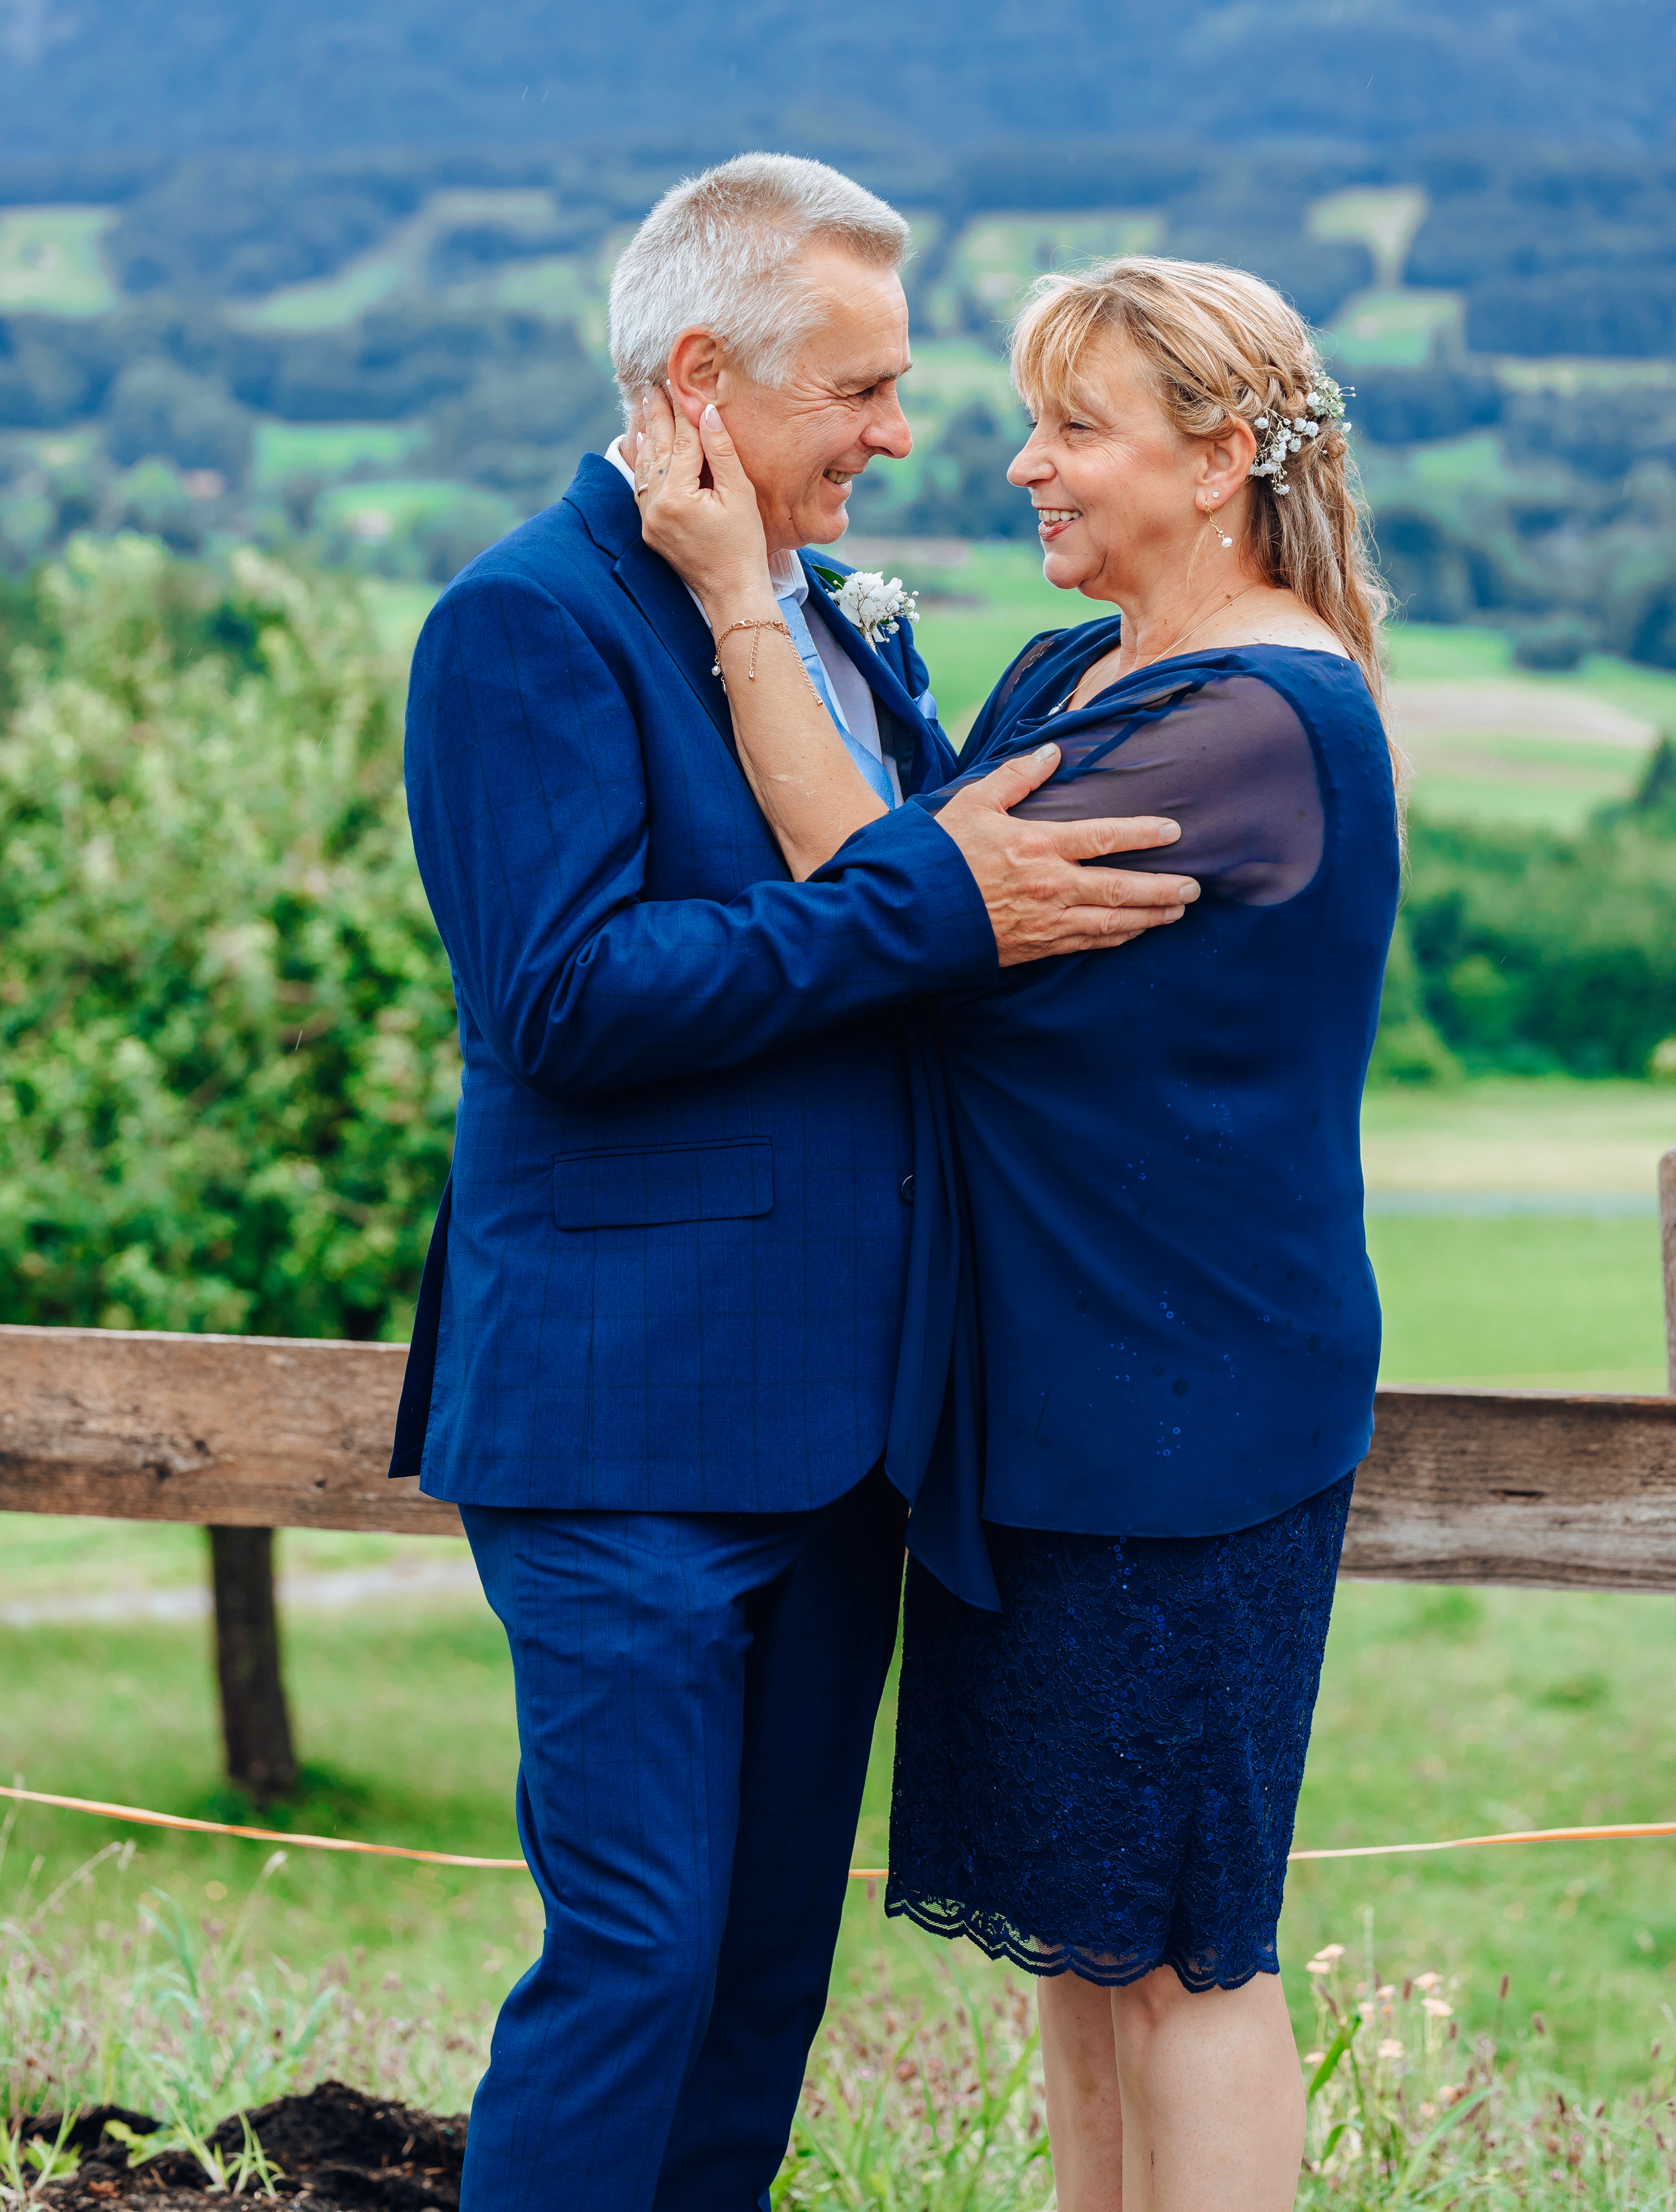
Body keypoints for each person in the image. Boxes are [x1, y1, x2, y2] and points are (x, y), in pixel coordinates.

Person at [389, 158, 1198, 2212]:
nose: (900, 433)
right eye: (859, 389)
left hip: (847, 1442)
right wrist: (935, 907)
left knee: (763, 1981)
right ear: (699, 379)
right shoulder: (523, 621)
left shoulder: (829, 614)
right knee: (639, 1960)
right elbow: (562, 997)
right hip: (626, 1428)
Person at [635, 253, 1402, 2212]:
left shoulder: (1252, 725)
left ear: (1222, 458)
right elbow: (925, 893)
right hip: (1052, 1395)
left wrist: (743, 602)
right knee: (1081, 1936)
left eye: (1074, 429)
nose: (1020, 467)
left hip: (1180, 1415)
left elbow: (876, 897)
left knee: (1181, 1946)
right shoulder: (1083, 674)